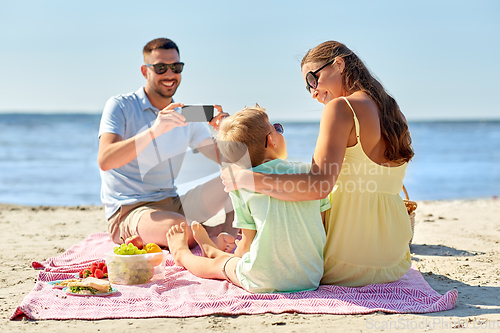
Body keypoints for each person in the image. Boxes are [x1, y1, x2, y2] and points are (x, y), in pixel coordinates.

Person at [220, 41, 415, 287]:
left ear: (339, 64)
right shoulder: (393, 110)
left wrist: (245, 179)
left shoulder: (341, 108)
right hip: (394, 260)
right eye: (307, 86)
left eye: (313, 79)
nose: (313, 91)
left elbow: (319, 186)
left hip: (344, 259)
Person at [166, 106, 330, 293]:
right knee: (230, 260)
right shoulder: (310, 174)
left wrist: (234, 259)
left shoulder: (241, 185)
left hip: (263, 280)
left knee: (218, 267)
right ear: (271, 140)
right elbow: (321, 224)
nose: (279, 131)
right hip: (310, 276)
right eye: (277, 128)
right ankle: (209, 251)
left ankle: (184, 254)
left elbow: (246, 245)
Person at [97, 37, 236, 250]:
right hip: (130, 210)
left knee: (239, 176)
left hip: (174, 203)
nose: (170, 75)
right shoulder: (120, 106)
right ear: (145, 71)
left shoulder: (185, 112)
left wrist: (224, 132)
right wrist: (154, 131)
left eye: (176, 67)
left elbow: (223, 158)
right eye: (161, 68)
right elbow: (105, 160)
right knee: (181, 230)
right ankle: (211, 234)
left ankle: (225, 235)